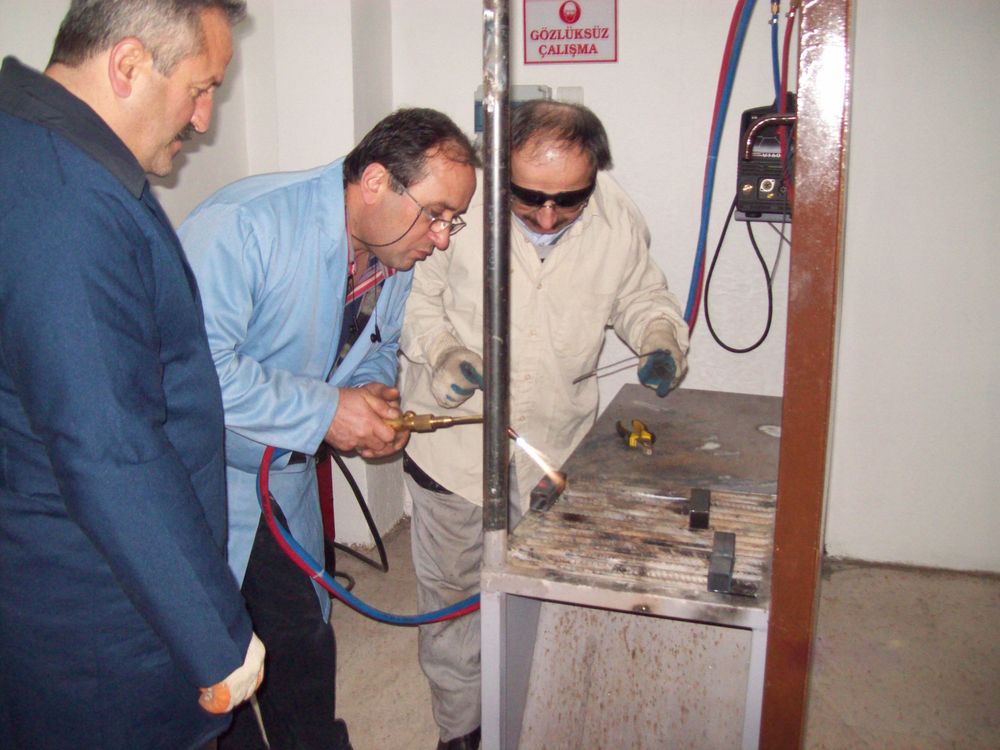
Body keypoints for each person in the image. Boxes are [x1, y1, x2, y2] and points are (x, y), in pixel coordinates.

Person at [0, 2, 263, 749]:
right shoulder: (68, 206)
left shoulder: (27, 143)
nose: (204, 119)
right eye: (200, 89)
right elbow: (107, 447)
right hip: (102, 605)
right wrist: (216, 636)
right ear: (127, 66)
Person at [178, 107, 479, 750]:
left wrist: (369, 395)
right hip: (203, 485)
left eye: (452, 220)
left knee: (302, 647)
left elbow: (376, 345)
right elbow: (197, 372)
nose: (442, 238)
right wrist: (327, 411)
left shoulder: (392, 257)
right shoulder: (246, 227)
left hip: (282, 485)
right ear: (375, 182)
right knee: (214, 669)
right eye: (435, 214)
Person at [398, 99, 690, 750]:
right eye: (529, 197)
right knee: (452, 602)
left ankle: (536, 712)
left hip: (554, 451)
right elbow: (416, 300)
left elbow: (643, 297)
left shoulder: (616, 219)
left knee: (545, 594)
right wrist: (443, 353)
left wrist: (660, 339)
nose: (549, 216)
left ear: (594, 177)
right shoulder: (455, 206)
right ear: (499, 169)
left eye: (569, 199)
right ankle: (461, 730)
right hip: (453, 451)